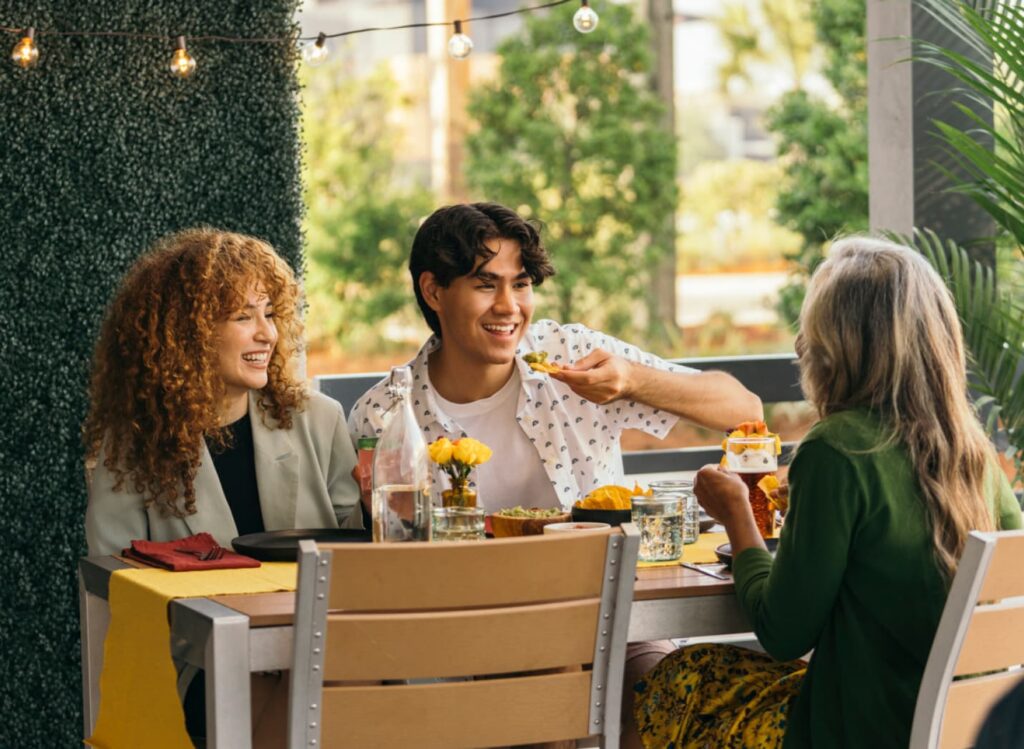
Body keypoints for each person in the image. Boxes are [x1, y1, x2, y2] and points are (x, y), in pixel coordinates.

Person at [629, 237, 1022, 748]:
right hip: (961, 728)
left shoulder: (836, 449)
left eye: (810, 331)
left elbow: (784, 633)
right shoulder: (973, 453)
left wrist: (736, 513)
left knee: (673, 678)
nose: (800, 345)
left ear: (837, 347)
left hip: (857, 731)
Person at [348, 202, 763, 513]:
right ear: (433, 292)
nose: (509, 307)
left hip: (595, 598)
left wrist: (632, 381)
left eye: (521, 284)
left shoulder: (576, 355)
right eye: (485, 285)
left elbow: (744, 410)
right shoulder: (381, 416)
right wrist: (377, 513)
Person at [84, 228, 364, 558]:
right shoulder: (133, 443)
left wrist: (373, 506)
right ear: (189, 333)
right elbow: (113, 574)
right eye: (243, 317)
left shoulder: (320, 419)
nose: (268, 334)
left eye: (269, 314)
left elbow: (358, 547)